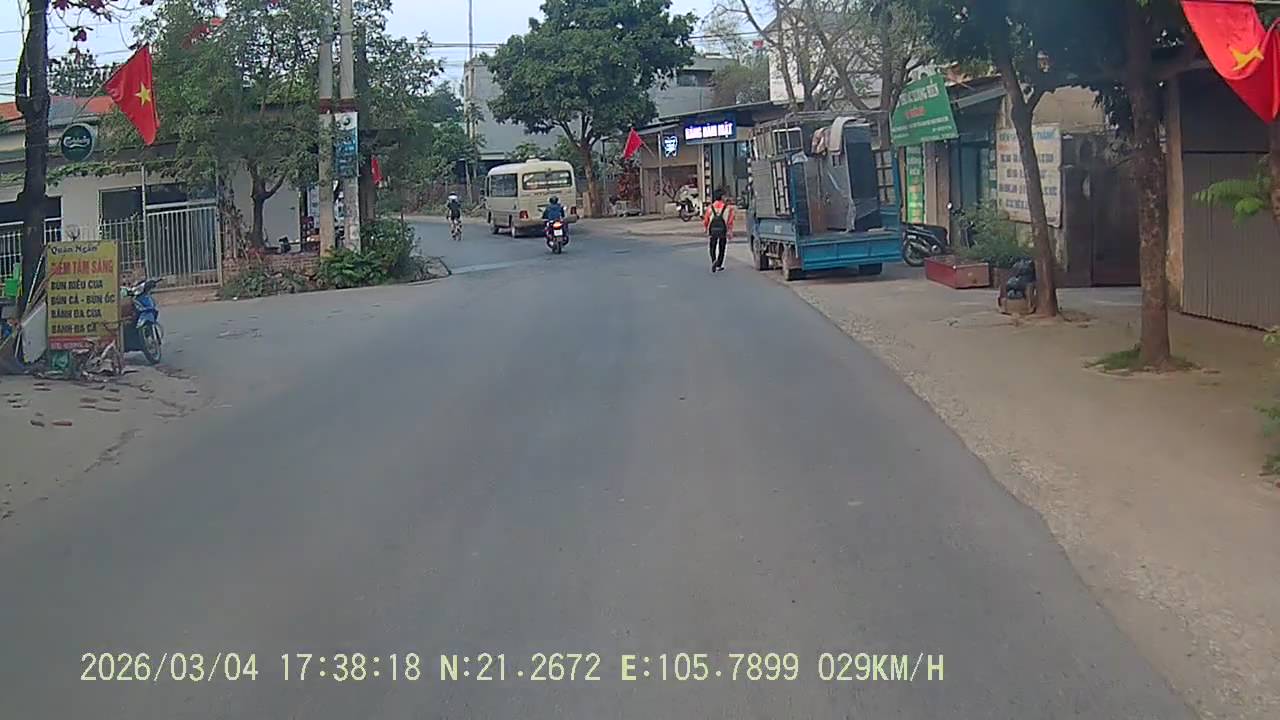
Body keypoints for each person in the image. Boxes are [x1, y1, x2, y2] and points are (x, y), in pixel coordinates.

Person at [703, 189, 734, 272]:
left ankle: (713, 260)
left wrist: (705, 228)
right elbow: (730, 221)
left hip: (712, 229)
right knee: (722, 247)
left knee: (712, 246)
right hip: (723, 229)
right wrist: (730, 231)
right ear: (721, 197)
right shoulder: (728, 208)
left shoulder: (710, 207)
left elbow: (706, 219)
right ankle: (719, 264)